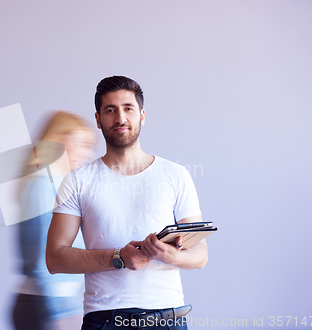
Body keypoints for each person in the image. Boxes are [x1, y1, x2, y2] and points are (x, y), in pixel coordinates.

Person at [46, 76, 209, 330]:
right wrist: (118, 257)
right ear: (98, 120)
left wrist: (168, 254)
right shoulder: (77, 181)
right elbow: (55, 259)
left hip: (168, 318)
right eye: (110, 110)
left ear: (142, 115)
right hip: (104, 321)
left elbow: (200, 255)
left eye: (128, 109)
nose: (120, 118)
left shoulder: (176, 175)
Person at [11, 111, 95, 330]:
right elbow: (43, 256)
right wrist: (62, 313)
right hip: (46, 305)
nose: (87, 154)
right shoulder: (41, 186)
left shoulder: (60, 187)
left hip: (61, 302)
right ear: (59, 142)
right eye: (81, 144)